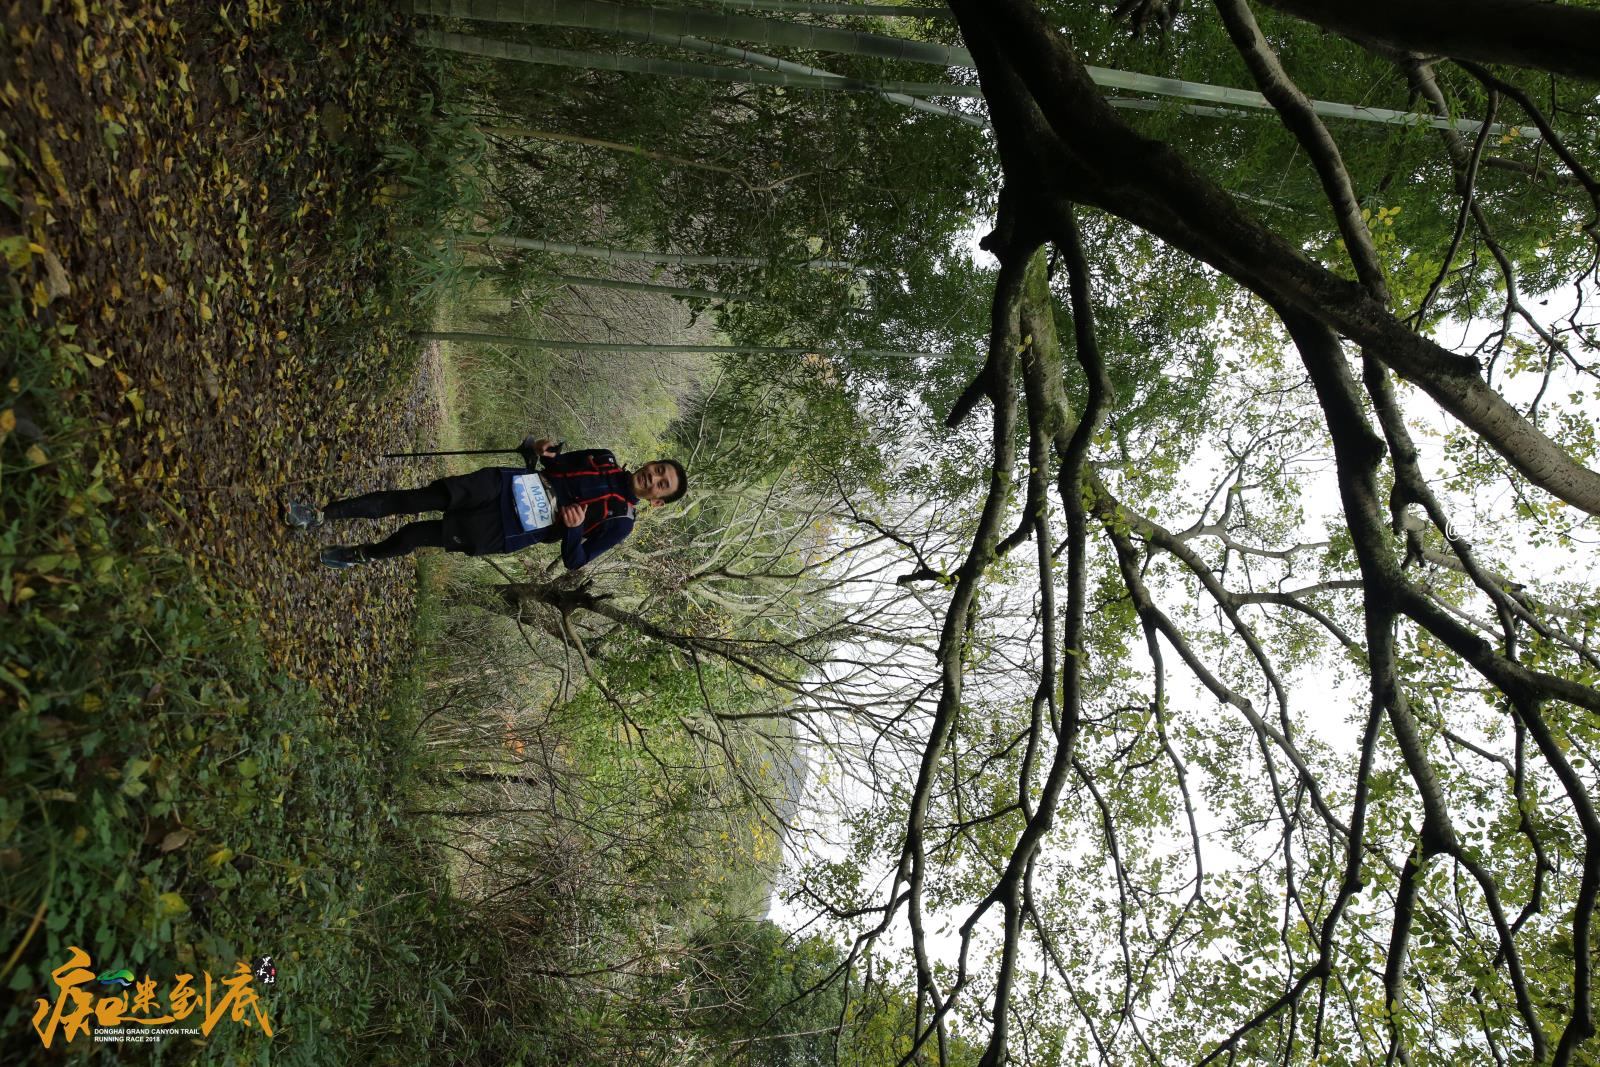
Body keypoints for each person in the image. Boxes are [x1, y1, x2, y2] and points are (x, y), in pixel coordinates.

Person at [284, 437, 686, 570]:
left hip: (507, 529)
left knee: (415, 533)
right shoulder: (604, 457)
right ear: (651, 462)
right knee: (414, 498)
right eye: (658, 470)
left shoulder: (622, 521)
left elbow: (575, 560)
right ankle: (322, 514)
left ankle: (362, 554)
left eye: (661, 484)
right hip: (504, 485)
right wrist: (542, 450)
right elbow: (555, 464)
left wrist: (574, 527)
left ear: (658, 501)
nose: (653, 478)